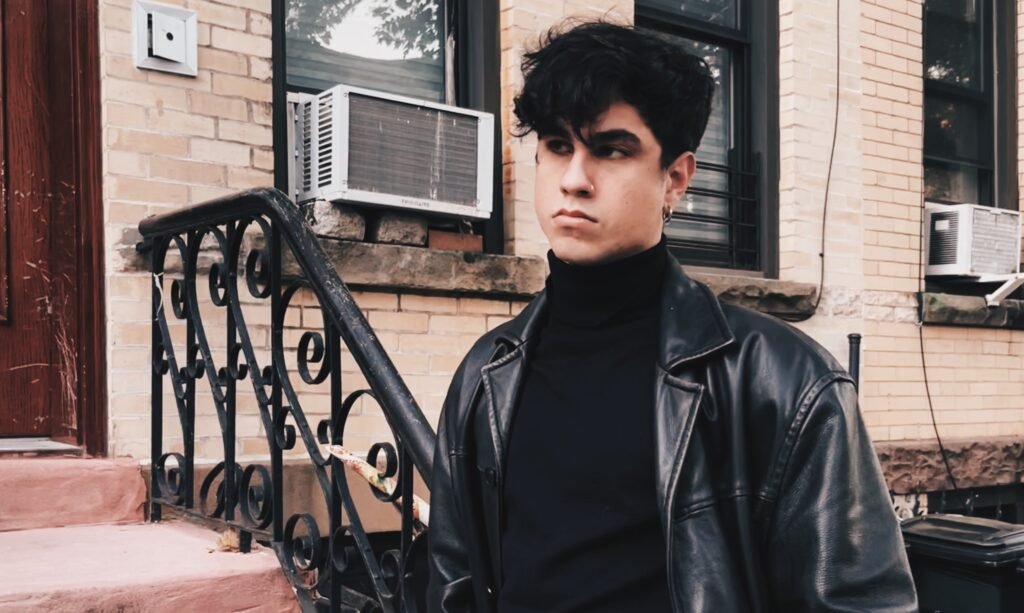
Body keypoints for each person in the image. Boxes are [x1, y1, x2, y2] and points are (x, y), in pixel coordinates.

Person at [427, 20, 917, 613]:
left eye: (610, 150)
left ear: (676, 180)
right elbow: (455, 581)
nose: (574, 180)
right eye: (557, 146)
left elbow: (861, 601)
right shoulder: (486, 373)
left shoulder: (786, 382)